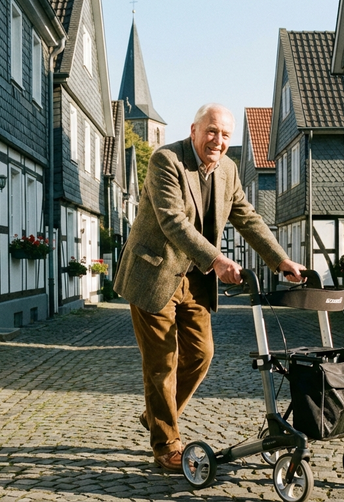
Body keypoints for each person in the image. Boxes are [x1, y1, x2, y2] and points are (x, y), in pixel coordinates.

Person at [113, 103, 305, 472]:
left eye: (225, 135)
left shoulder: (229, 169)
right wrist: (217, 259)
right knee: (161, 364)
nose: (218, 141)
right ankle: (166, 442)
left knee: (201, 356)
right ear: (194, 130)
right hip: (154, 274)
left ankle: (156, 415)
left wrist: (279, 259)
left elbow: (248, 217)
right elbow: (174, 222)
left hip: (195, 282)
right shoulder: (165, 160)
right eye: (212, 131)